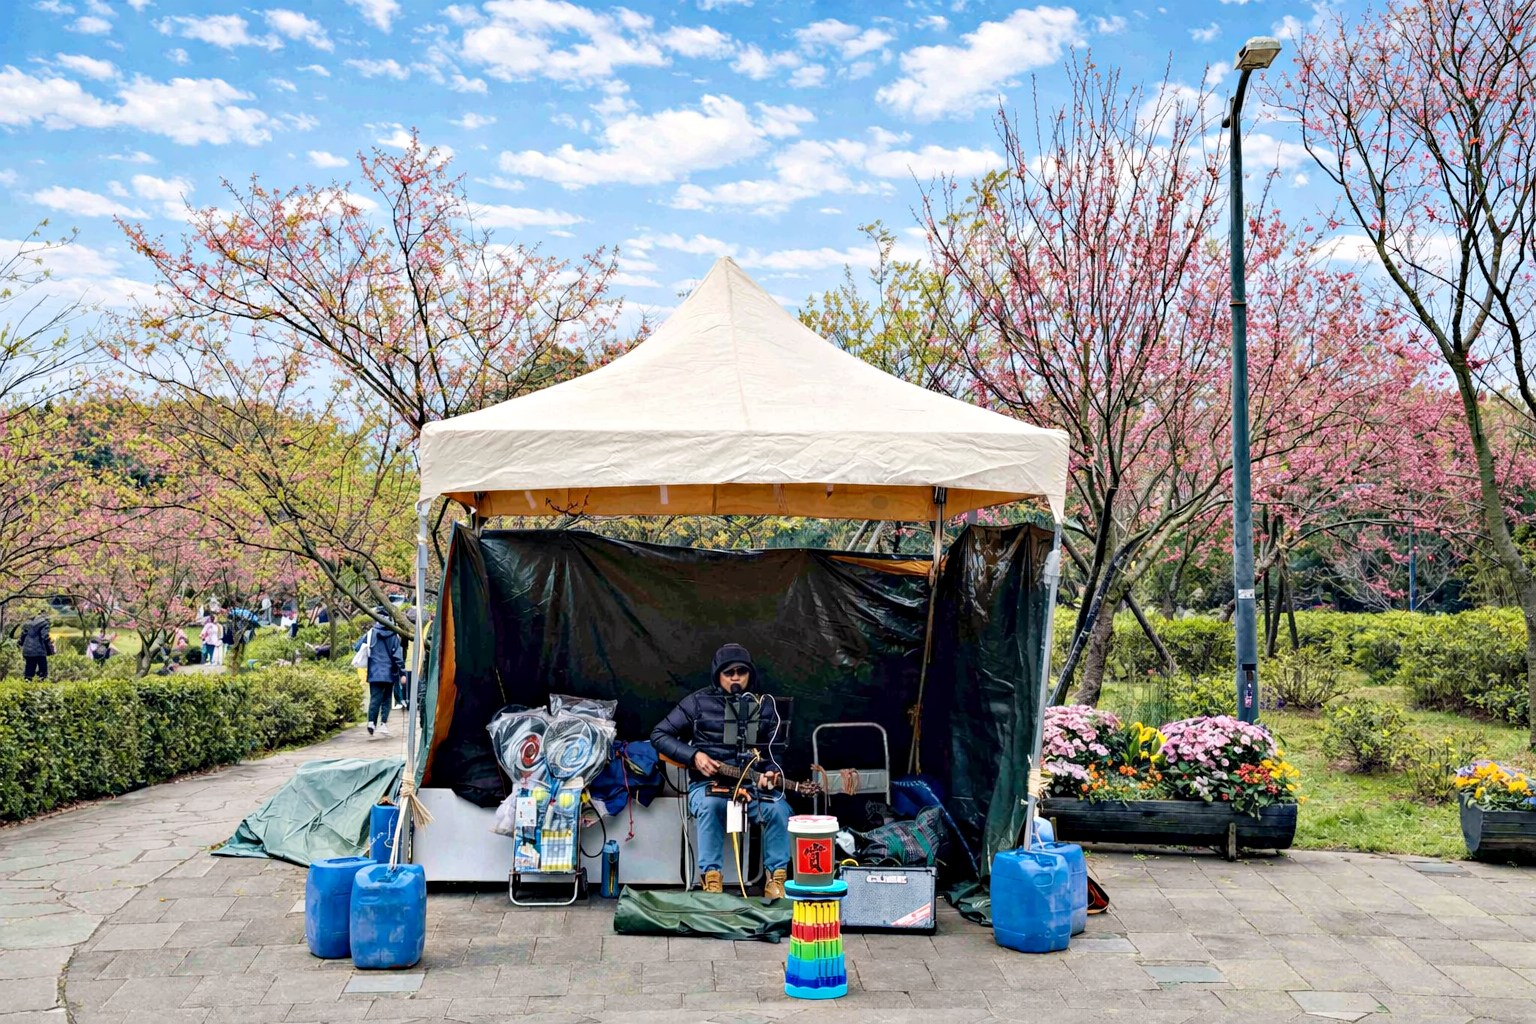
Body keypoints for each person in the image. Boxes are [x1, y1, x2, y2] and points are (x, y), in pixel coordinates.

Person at [651, 643, 792, 898]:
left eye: (741, 672)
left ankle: (776, 881)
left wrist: (772, 772)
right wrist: (694, 756)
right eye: (729, 673)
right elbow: (659, 734)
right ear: (718, 675)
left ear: (750, 675)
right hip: (708, 786)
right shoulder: (697, 702)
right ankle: (712, 882)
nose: (735, 677)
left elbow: (774, 753)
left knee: (779, 809)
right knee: (711, 806)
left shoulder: (764, 706)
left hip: (750, 786)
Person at [354, 613, 404, 738]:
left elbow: (357, 647)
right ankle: (383, 724)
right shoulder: (394, 634)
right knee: (387, 698)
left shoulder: (371, 633)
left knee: (375, 697)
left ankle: (371, 722)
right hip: (389, 672)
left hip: (374, 672)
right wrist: (402, 672)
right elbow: (398, 656)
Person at [19, 612, 54, 680]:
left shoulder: (27, 623)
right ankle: (42, 687)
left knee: (29, 671)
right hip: (39, 650)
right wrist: (50, 647)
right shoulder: (44, 623)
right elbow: (45, 636)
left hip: (27, 651)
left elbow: (22, 638)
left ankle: (27, 686)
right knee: (43, 672)